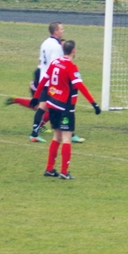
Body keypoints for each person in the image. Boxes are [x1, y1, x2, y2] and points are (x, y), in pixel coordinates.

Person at [34, 40, 101, 180]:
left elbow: (44, 80)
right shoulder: (71, 67)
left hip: (52, 104)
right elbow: (80, 86)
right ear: (73, 50)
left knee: (56, 137)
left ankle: (49, 169)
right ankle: (64, 172)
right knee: (66, 138)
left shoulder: (54, 63)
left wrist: (36, 97)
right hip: (65, 107)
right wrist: (93, 103)